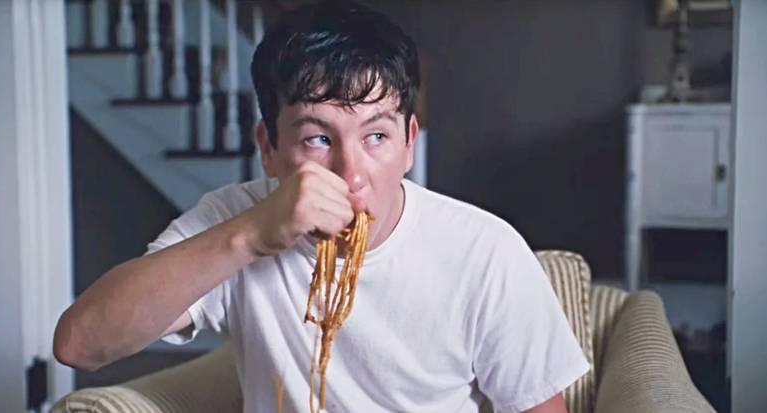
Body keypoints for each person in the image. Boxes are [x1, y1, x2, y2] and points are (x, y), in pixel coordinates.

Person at [54, 2, 589, 412]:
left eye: (375, 136)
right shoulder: (236, 220)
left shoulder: (484, 251)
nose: (351, 174)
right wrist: (248, 237)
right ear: (268, 149)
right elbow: (81, 344)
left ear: (410, 143)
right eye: (316, 139)